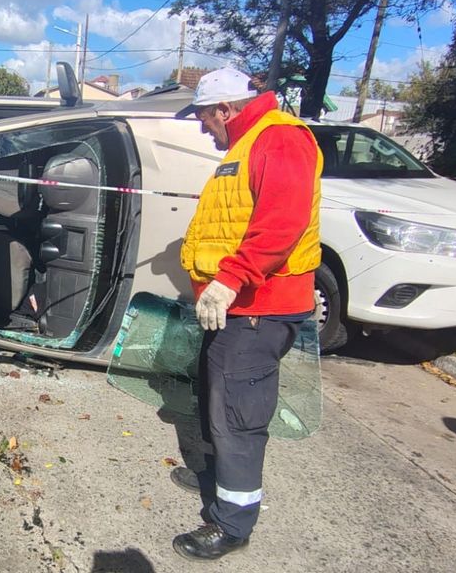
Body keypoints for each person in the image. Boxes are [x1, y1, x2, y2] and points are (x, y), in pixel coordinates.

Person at [169, 67, 322, 561]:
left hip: (260, 306)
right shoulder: (249, 141)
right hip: (238, 306)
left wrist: (232, 277)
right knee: (218, 398)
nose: (201, 126)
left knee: (237, 415)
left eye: (203, 116)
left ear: (224, 109)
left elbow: (282, 222)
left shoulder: (279, 138)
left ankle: (232, 523)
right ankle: (219, 478)